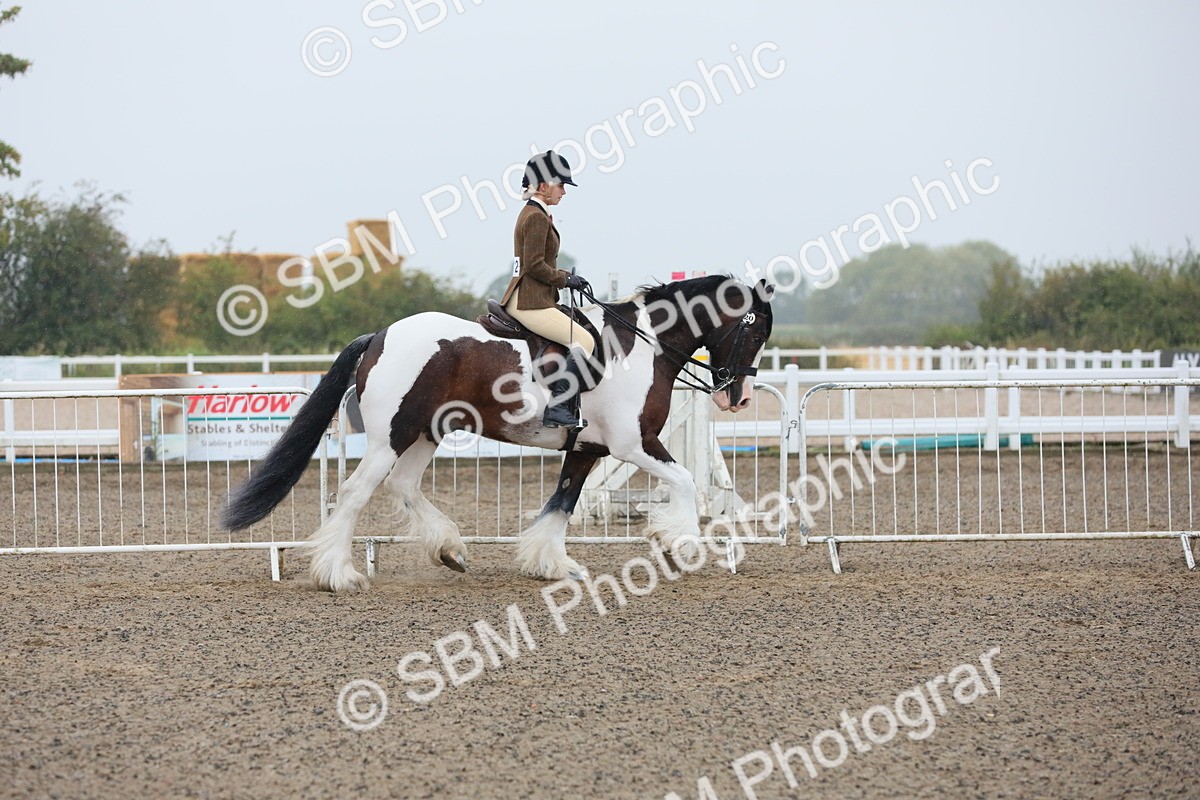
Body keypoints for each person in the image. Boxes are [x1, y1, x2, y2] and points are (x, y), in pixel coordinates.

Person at [499, 150, 597, 428]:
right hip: (530, 302)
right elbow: (534, 266)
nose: (564, 191)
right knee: (585, 341)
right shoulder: (536, 217)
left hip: (535, 297)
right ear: (543, 186)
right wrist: (566, 279)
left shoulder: (537, 213)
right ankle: (557, 408)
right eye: (561, 185)